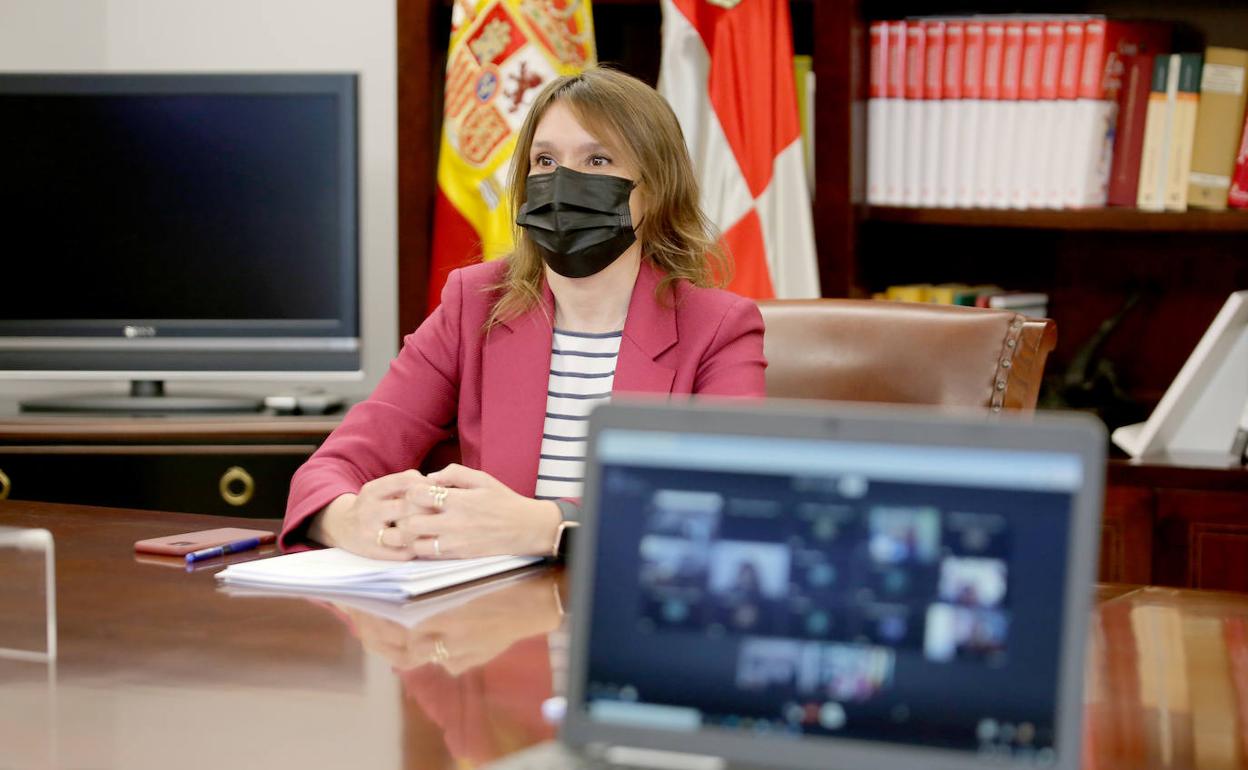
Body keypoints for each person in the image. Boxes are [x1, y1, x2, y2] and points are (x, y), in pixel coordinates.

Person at [280, 66, 767, 560]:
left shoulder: (719, 328)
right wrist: (347, 518)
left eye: (597, 160)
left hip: (637, 610)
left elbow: (729, 502)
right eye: (545, 160)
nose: (563, 184)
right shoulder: (474, 304)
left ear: (656, 188)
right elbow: (331, 468)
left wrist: (544, 525)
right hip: (489, 617)